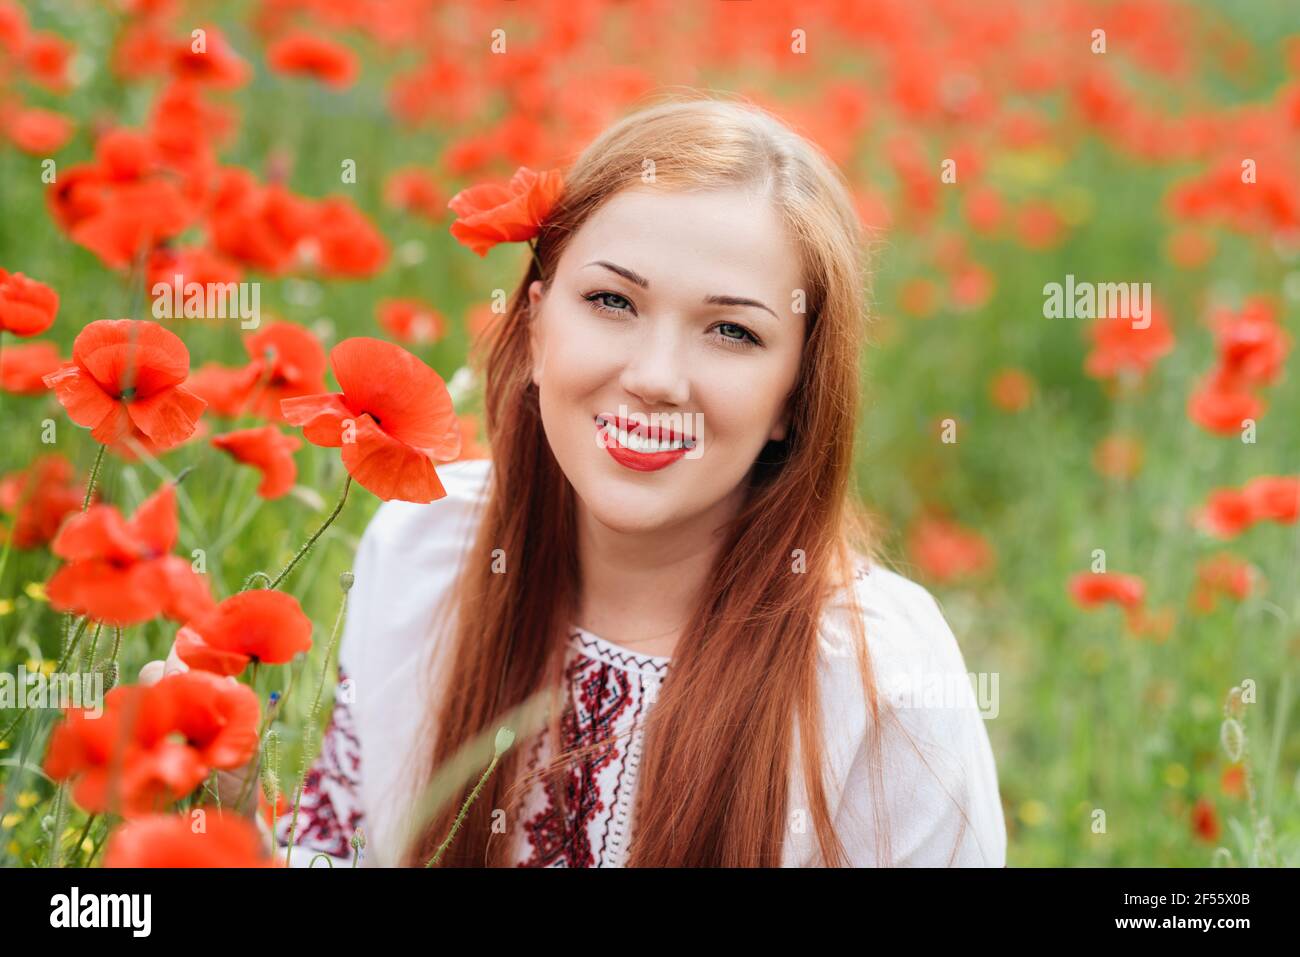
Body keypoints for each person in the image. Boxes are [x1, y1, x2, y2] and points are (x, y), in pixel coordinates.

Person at [143, 92, 1007, 868]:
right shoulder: (424, 552)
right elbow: (341, 854)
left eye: (733, 333)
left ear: (794, 395)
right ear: (535, 321)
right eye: (613, 302)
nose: (657, 375)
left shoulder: (876, 680)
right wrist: (228, 817)